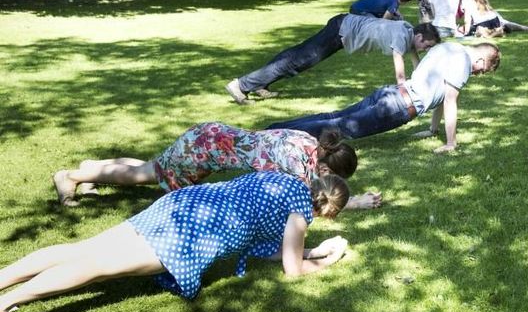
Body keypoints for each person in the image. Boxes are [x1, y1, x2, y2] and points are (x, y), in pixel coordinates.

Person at [0, 171, 349, 312]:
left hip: (183, 205)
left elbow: (276, 246)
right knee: (97, 267)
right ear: (329, 213)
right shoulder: (301, 215)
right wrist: (330, 257)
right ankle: (7, 302)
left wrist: (308, 250)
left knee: (84, 250)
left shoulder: (284, 180)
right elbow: (292, 270)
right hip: (193, 233)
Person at [50, 122, 380, 209]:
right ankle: (70, 176)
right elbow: (318, 199)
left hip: (210, 136)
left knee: (153, 166)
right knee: (147, 175)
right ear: (325, 170)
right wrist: (358, 202)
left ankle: (91, 168)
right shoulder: (297, 165)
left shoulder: (311, 143)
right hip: (203, 149)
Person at [267, 42, 501, 153]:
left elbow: (440, 96)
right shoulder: (464, 63)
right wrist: (451, 143)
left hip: (390, 93)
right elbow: (450, 101)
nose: (477, 73)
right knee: (337, 128)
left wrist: (432, 130)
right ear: (481, 61)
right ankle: (277, 136)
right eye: (482, 71)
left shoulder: (451, 47)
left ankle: (275, 129)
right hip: (398, 107)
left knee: (335, 116)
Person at [226, 18, 440, 103]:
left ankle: (260, 83)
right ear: (419, 37)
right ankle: (241, 85)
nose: (423, 49)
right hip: (340, 31)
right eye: (426, 45)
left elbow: (415, 60)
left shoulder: (409, 31)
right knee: (297, 61)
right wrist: (403, 87)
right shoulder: (403, 36)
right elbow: (399, 65)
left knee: (296, 56)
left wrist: (424, 81)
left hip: (342, 28)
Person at [349, 0, 414, 19]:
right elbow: (384, 20)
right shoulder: (394, 4)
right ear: (406, 2)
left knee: (395, 18)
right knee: (374, 23)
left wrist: (399, 15)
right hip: (358, 10)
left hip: (356, 6)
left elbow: (394, 10)